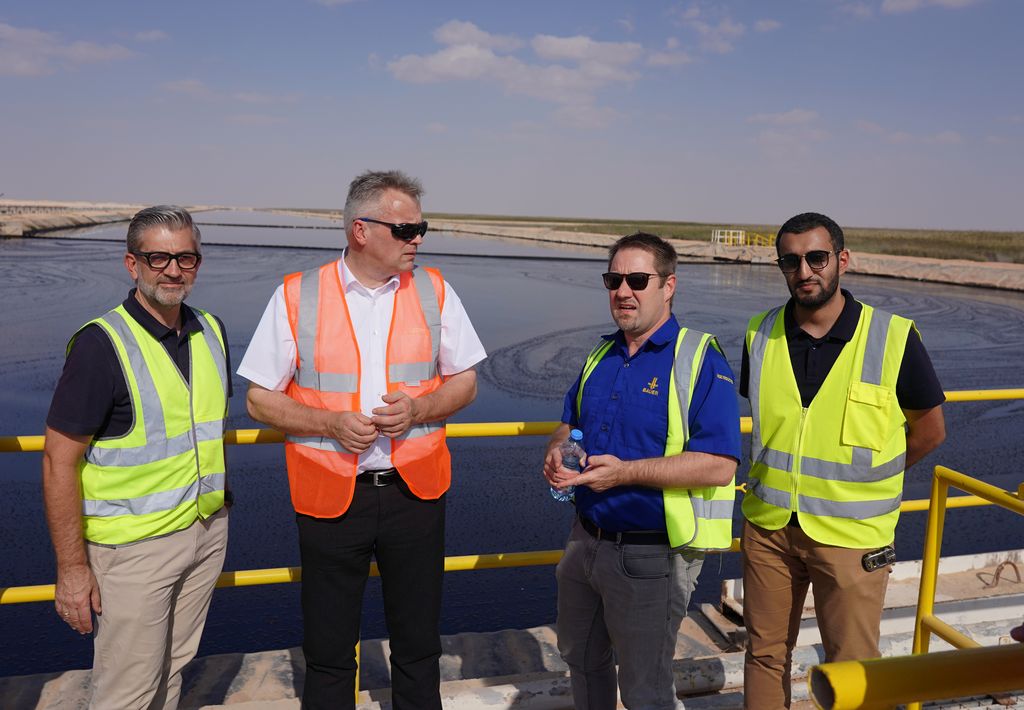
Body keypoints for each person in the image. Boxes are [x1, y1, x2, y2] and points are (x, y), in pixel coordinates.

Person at [238, 170, 485, 710]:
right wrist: (329, 423)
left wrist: (420, 408)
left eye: (421, 228)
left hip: (415, 494)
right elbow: (258, 400)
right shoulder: (297, 295)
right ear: (360, 230)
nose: (417, 239)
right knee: (328, 651)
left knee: (418, 644)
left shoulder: (435, 291)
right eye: (406, 229)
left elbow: (466, 381)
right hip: (330, 496)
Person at [740, 212, 946, 709]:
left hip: (852, 540)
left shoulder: (892, 337)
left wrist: (863, 483)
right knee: (764, 655)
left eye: (817, 258)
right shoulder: (760, 333)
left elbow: (929, 432)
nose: (804, 271)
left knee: (852, 667)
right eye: (790, 261)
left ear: (842, 260)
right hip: (769, 529)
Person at [42, 205, 231, 709]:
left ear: (198, 263)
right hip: (133, 551)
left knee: (174, 668)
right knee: (127, 691)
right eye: (157, 258)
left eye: (185, 258)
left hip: (204, 533)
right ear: (133, 264)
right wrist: (72, 569)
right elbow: (58, 461)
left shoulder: (211, 330)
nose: (173, 270)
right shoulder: (101, 345)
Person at [544, 232, 741, 710]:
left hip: (652, 555)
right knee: (581, 659)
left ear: (668, 286)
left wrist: (624, 474)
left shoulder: (698, 359)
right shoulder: (601, 354)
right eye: (613, 280)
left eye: (637, 280)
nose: (623, 291)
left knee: (644, 689)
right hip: (585, 540)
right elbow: (570, 423)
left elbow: (719, 465)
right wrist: (557, 448)